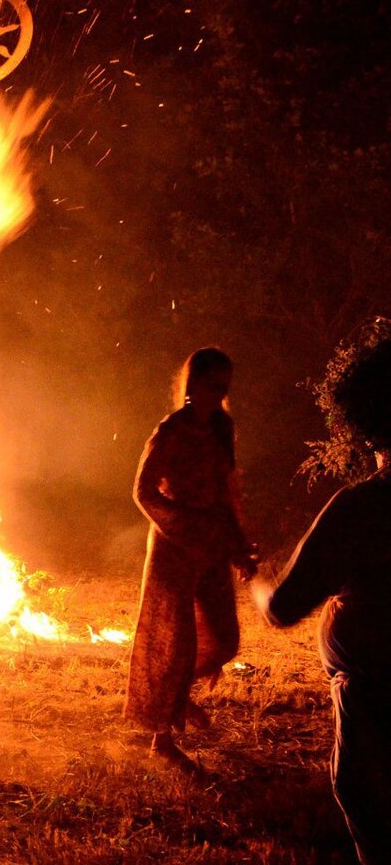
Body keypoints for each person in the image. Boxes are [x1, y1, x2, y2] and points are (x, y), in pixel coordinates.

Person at [251, 332, 391, 864]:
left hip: (379, 702)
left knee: (377, 817)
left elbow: (284, 605)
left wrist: (257, 580)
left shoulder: (364, 506)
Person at [124, 348, 256, 770]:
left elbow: (226, 492)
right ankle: (162, 738)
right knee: (174, 644)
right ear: (192, 385)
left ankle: (177, 696)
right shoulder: (170, 431)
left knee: (223, 638)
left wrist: (238, 546)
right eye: (213, 386)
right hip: (174, 548)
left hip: (212, 544)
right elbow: (143, 491)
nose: (219, 395)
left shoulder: (222, 429)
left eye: (224, 388)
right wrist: (180, 524)